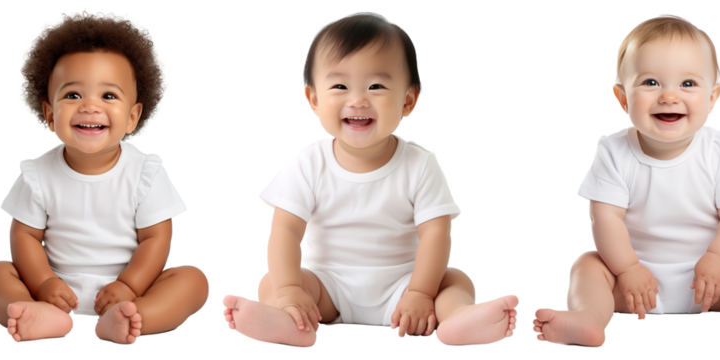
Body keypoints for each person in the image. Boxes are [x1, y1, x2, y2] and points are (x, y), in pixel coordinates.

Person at [220, 10, 520, 347]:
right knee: (272, 283)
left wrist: (421, 292)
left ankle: (457, 321)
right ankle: (291, 321)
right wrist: (291, 290)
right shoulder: (308, 163)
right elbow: (285, 230)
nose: (358, 99)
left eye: (376, 85)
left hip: (405, 287)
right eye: (340, 85)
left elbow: (437, 233)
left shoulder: (421, 164)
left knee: (456, 281)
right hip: (326, 287)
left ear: (408, 99)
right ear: (313, 98)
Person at [531, 14, 720, 347]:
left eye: (688, 84)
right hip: (635, 285)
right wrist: (627, 268)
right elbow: (604, 218)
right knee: (587, 265)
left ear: (713, 96)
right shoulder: (612, 149)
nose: (668, 96)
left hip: (714, 281)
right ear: (621, 98)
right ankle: (589, 319)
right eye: (650, 82)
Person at [0, 5, 210, 345]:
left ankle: (132, 319)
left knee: (194, 280)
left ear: (132, 117)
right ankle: (39, 314)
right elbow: (24, 237)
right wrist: (43, 283)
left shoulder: (146, 172)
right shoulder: (36, 173)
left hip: (132, 289)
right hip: (52, 287)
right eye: (72, 94)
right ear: (49, 113)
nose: (90, 106)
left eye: (108, 95)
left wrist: (129, 286)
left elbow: (156, 240)